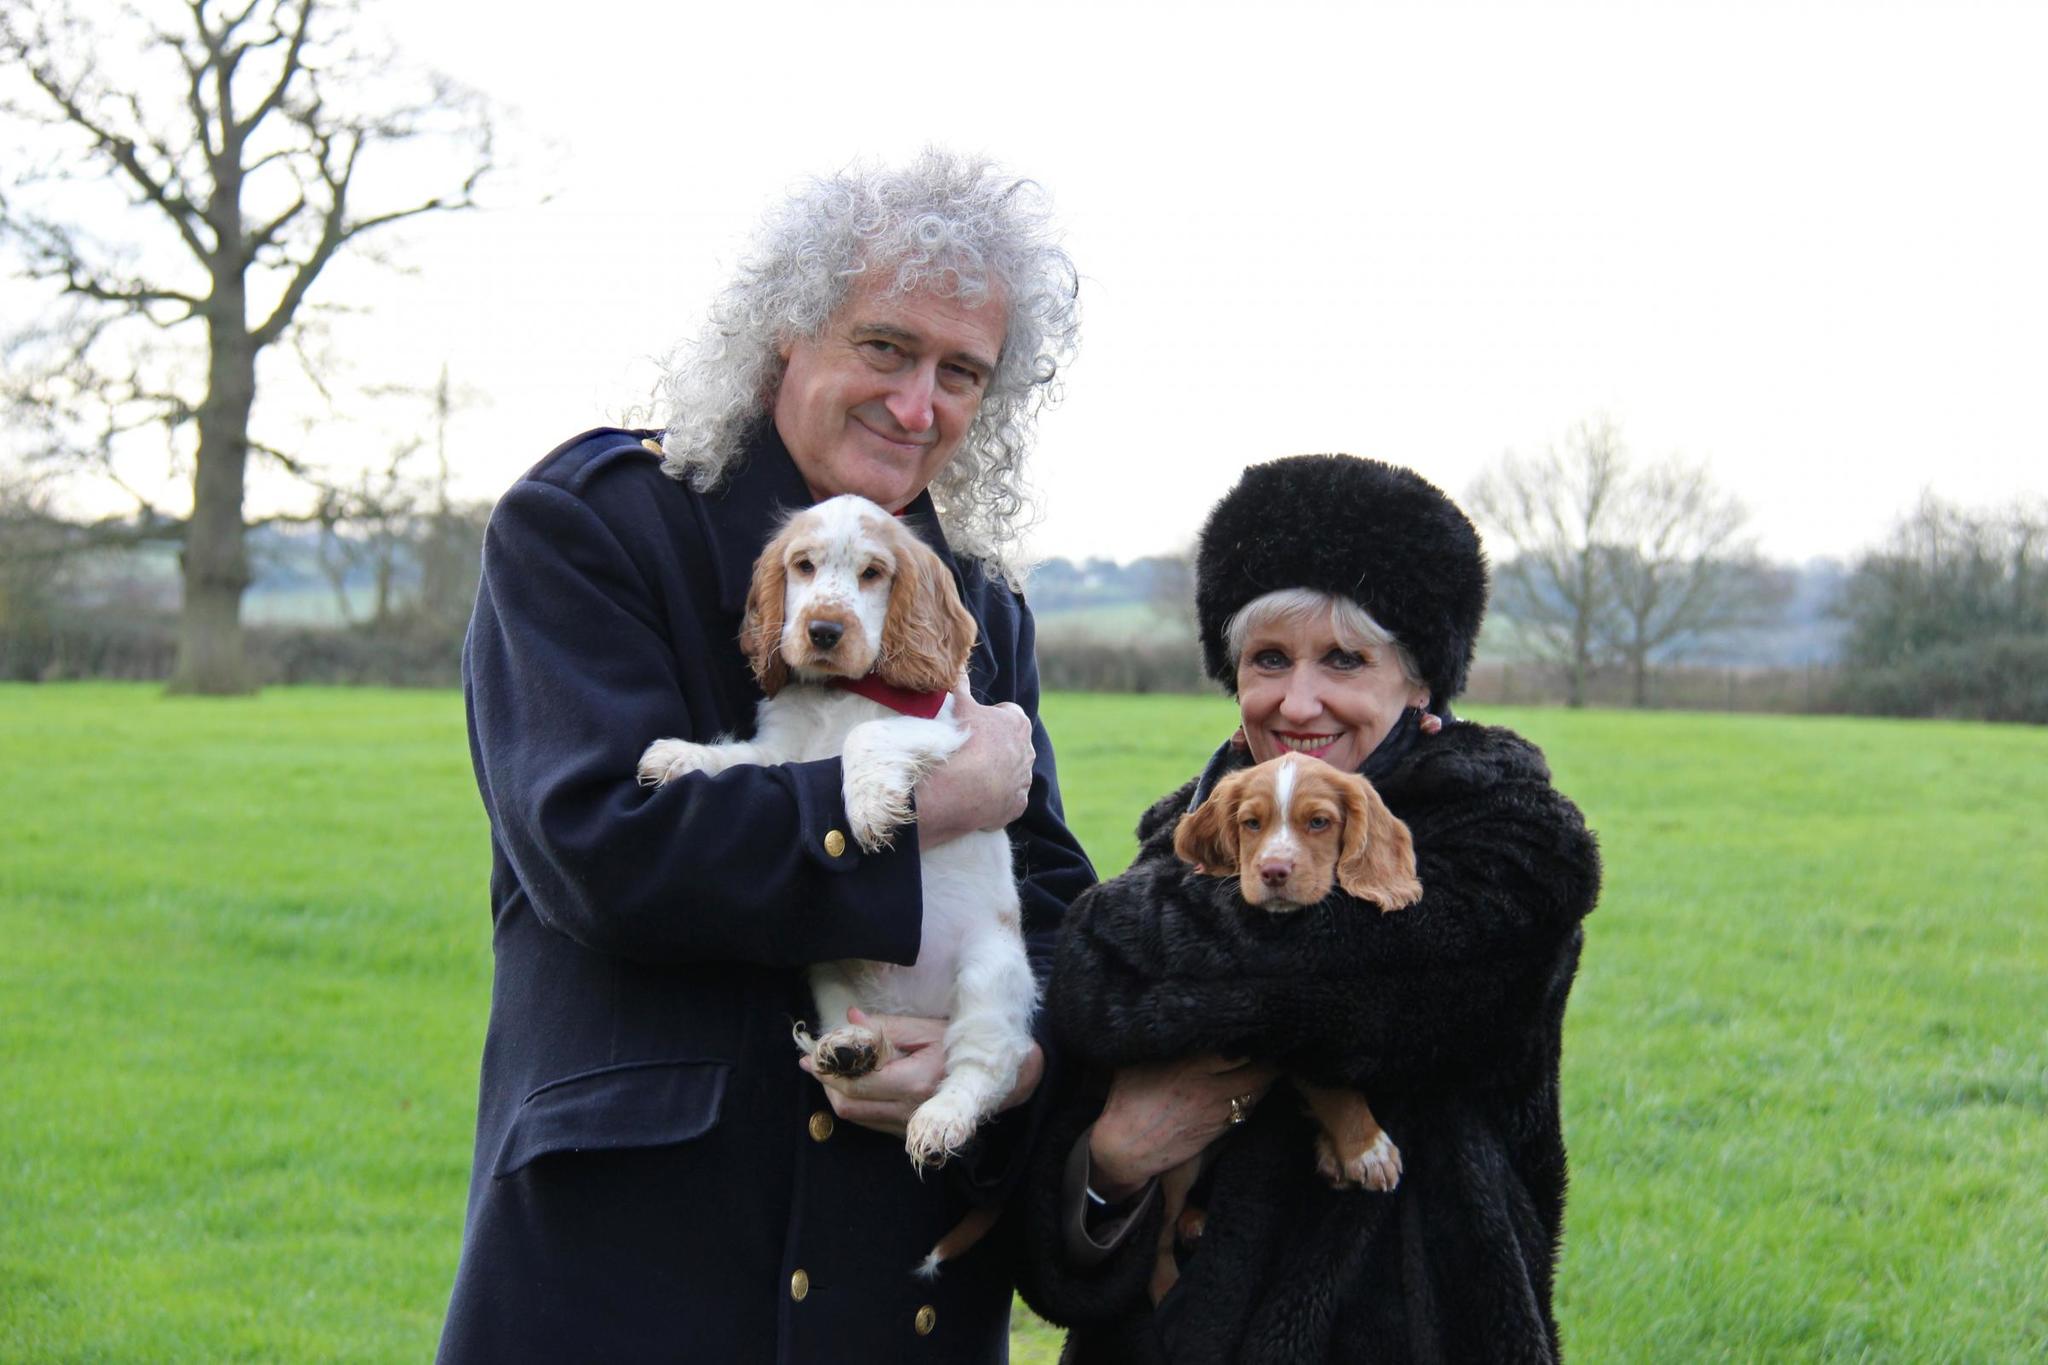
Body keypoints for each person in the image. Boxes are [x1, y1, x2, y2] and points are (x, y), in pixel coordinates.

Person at [437, 151, 1095, 1363]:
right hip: (633, 1267)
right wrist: (936, 795)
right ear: (783, 333)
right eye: (887, 348)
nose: (918, 406)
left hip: (894, 1278)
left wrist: (1002, 1067)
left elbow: (1050, 908)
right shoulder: (591, 524)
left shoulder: (976, 610)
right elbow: (600, 850)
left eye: (961, 374)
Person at [1012, 455, 1602, 1363]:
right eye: (1269, 659)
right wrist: (1115, 1162)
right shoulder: (1197, 824)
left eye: (1345, 660)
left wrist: (1111, 933)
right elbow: (1084, 1042)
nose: (1297, 699)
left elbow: (1303, 981)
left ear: (1419, 682)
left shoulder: (1508, 840)